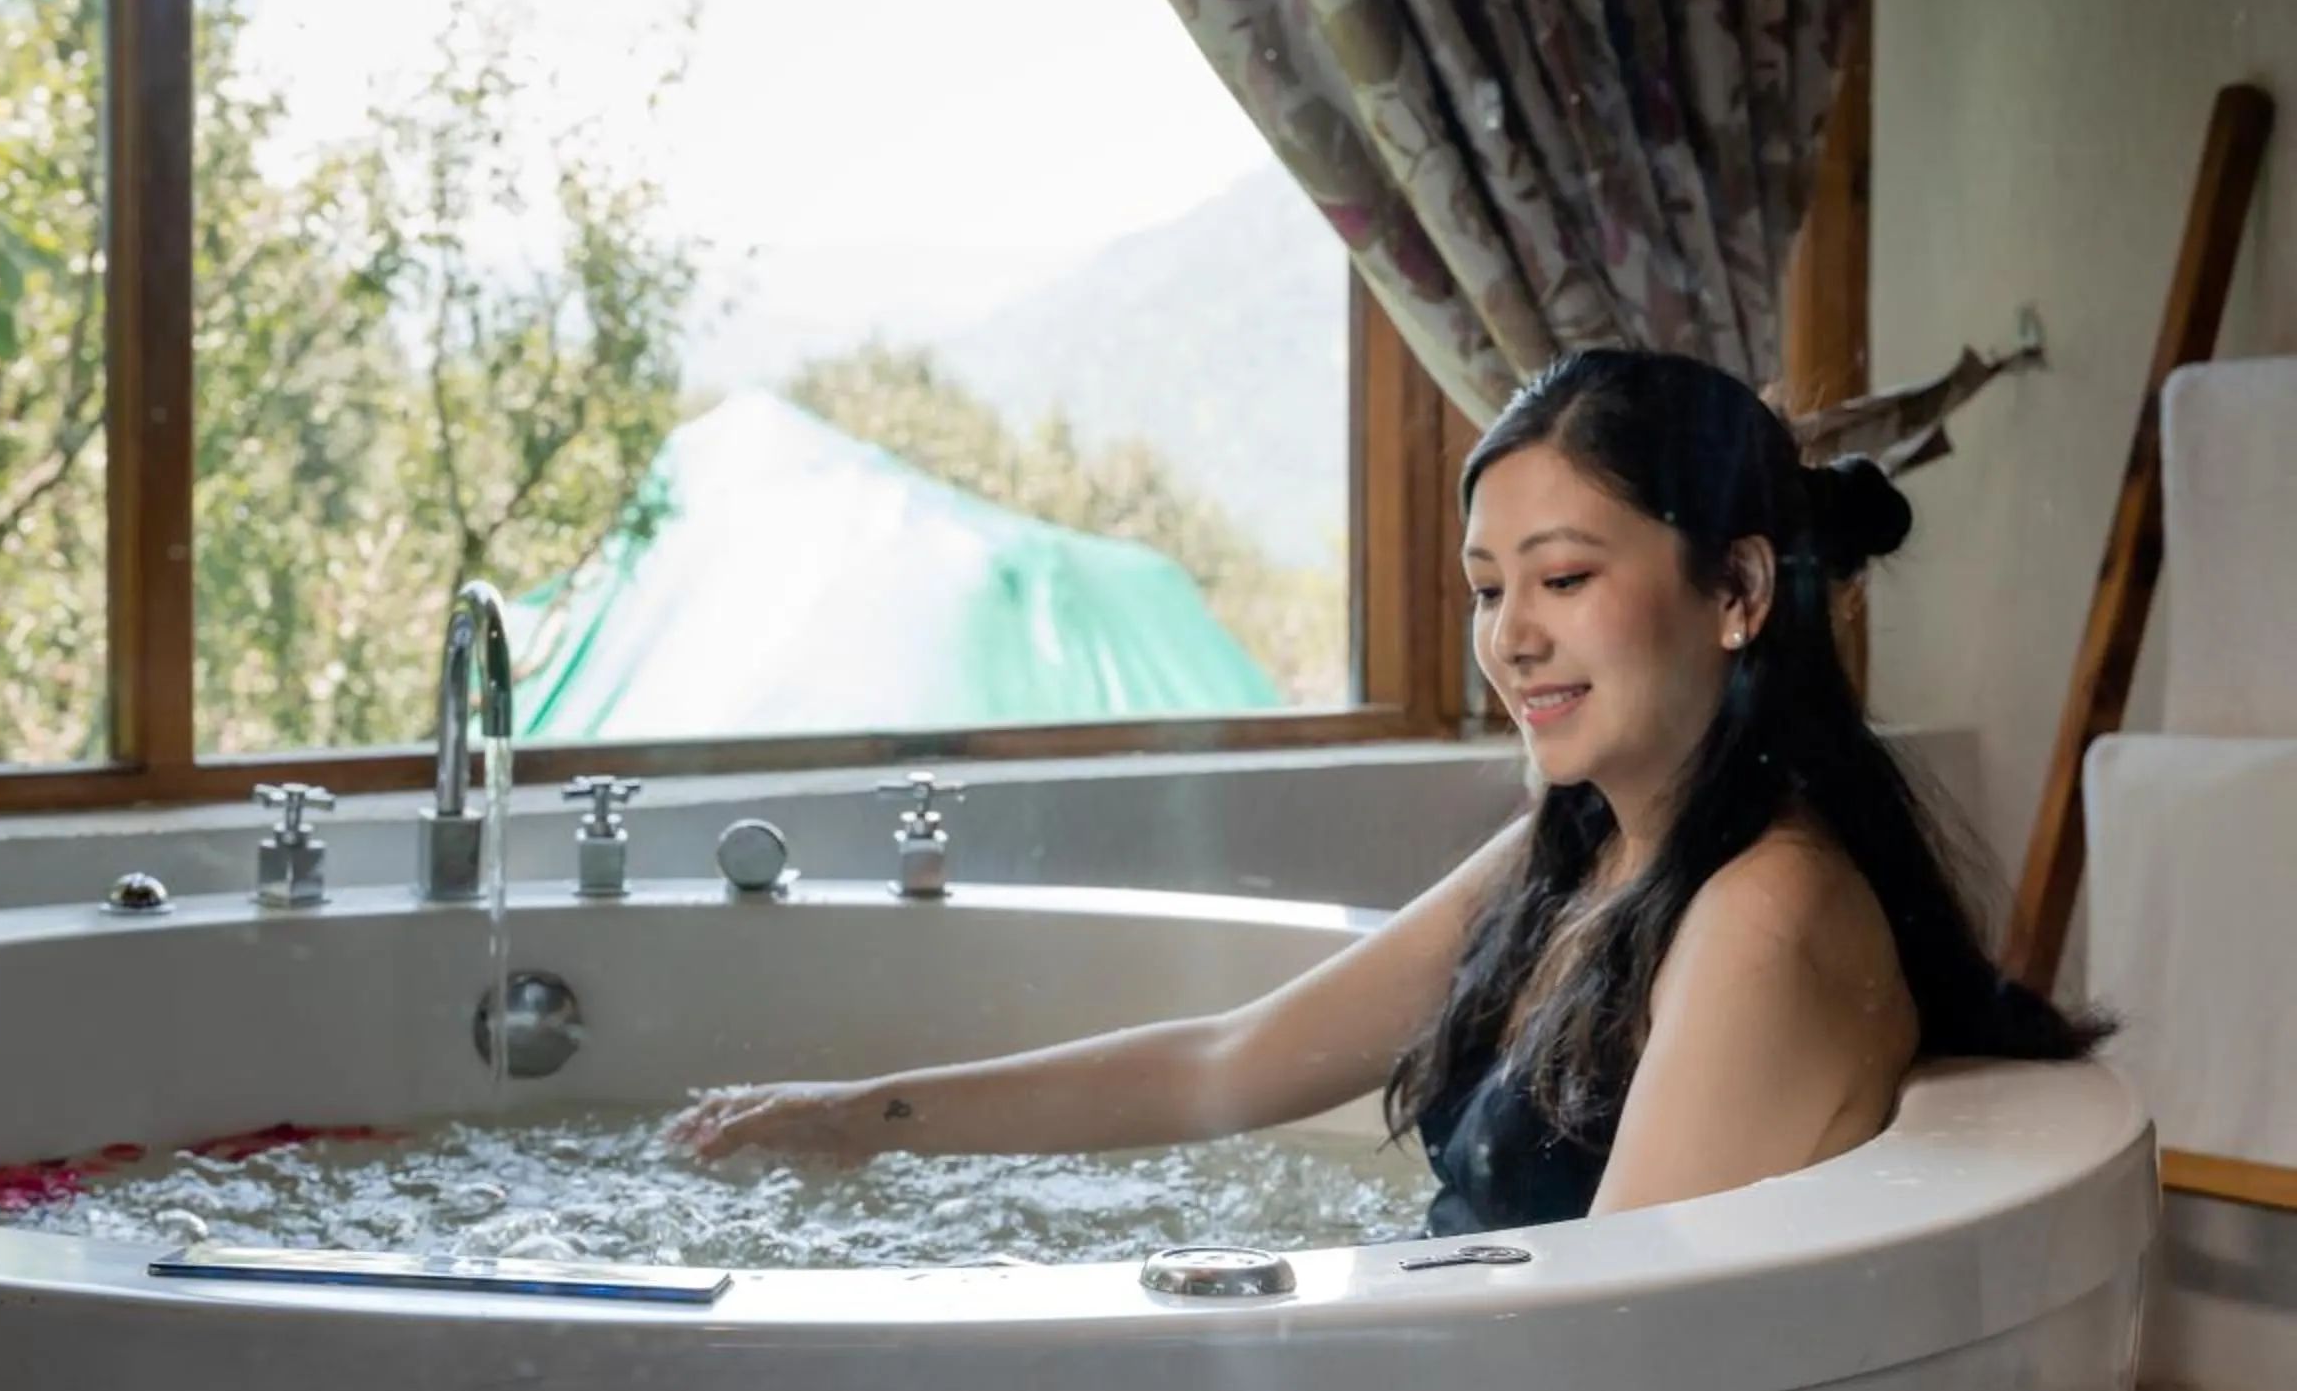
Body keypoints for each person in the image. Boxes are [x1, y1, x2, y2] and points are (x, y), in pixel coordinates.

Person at [666, 348, 2109, 1235]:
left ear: (1734, 589)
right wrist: (860, 1114)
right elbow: (1228, 1061)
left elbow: (1621, 1346)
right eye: (1488, 590)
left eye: (1564, 578)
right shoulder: (1590, 847)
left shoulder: (1764, 913)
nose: (1510, 638)